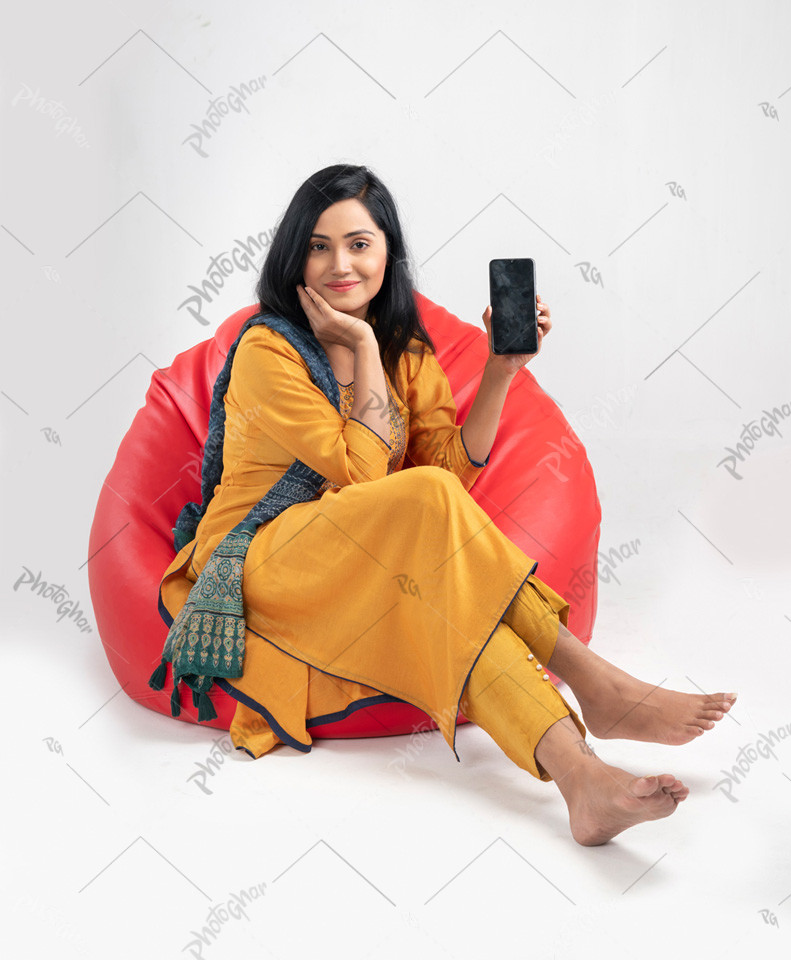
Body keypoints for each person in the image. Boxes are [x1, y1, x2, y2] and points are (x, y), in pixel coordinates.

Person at [157, 164, 738, 846]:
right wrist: (361, 347)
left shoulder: (408, 355)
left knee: (460, 614)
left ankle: (581, 779)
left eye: (358, 243)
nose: (339, 263)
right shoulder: (268, 351)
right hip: (258, 559)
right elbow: (366, 473)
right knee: (424, 504)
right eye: (317, 246)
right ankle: (591, 679)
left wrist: (499, 371)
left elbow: (446, 474)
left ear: (386, 253)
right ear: (293, 257)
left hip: (356, 554)